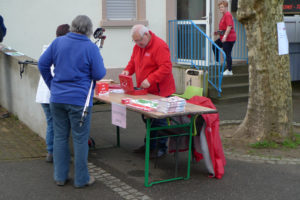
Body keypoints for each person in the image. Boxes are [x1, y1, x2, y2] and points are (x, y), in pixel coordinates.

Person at [38, 15, 106, 188]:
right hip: (80, 100)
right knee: (80, 139)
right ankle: (81, 179)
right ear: (89, 30)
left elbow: (42, 64)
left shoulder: (58, 42)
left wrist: (52, 84)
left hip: (58, 98)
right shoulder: (90, 47)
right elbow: (99, 74)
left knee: (60, 137)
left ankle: (60, 177)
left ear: (73, 27)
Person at [121, 24, 176, 158]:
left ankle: (161, 147)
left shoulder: (159, 46)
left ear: (146, 35)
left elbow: (166, 67)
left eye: (139, 40)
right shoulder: (138, 47)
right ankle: (150, 145)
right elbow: (133, 62)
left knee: (159, 120)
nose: (138, 43)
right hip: (146, 90)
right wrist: (127, 70)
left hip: (160, 90)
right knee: (147, 119)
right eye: (135, 41)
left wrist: (151, 79)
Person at [36, 24, 70, 163]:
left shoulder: (48, 47)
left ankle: (50, 152)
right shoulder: (62, 50)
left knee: (51, 123)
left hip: (44, 94)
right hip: (54, 94)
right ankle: (57, 153)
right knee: (60, 125)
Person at [212, 0, 236, 76]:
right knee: (214, 45)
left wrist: (225, 36)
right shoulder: (224, 16)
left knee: (227, 53)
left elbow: (229, 26)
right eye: (220, 7)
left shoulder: (228, 15)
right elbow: (223, 29)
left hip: (229, 39)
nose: (221, 9)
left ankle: (229, 70)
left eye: (222, 7)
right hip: (224, 38)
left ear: (226, 7)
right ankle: (217, 61)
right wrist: (216, 33)